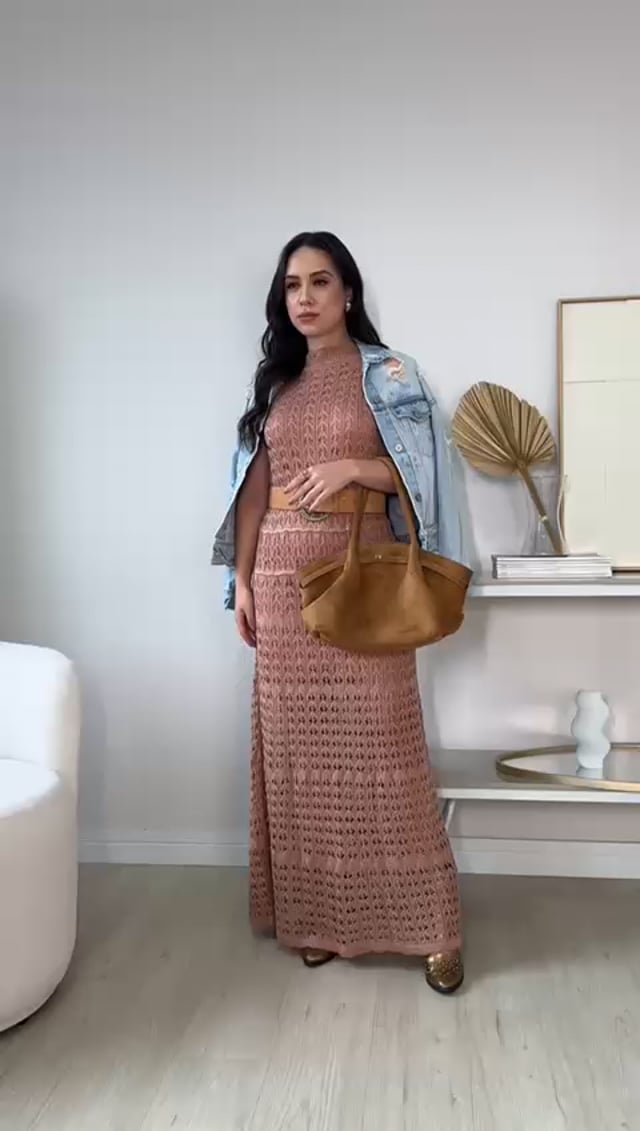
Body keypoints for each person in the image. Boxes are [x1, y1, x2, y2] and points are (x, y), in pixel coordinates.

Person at [212, 232, 466, 992]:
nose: (306, 297)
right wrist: (243, 582)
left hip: (362, 575)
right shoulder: (276, 386)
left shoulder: (389, 374)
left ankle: (433, 928)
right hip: (283, 580)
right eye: (293, 286)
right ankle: (321, 919)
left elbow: (423, 473)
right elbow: (253, 490)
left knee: (388, 753)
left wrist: (354, 466)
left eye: (320, 281)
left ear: (347, 292)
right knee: (303, 764)